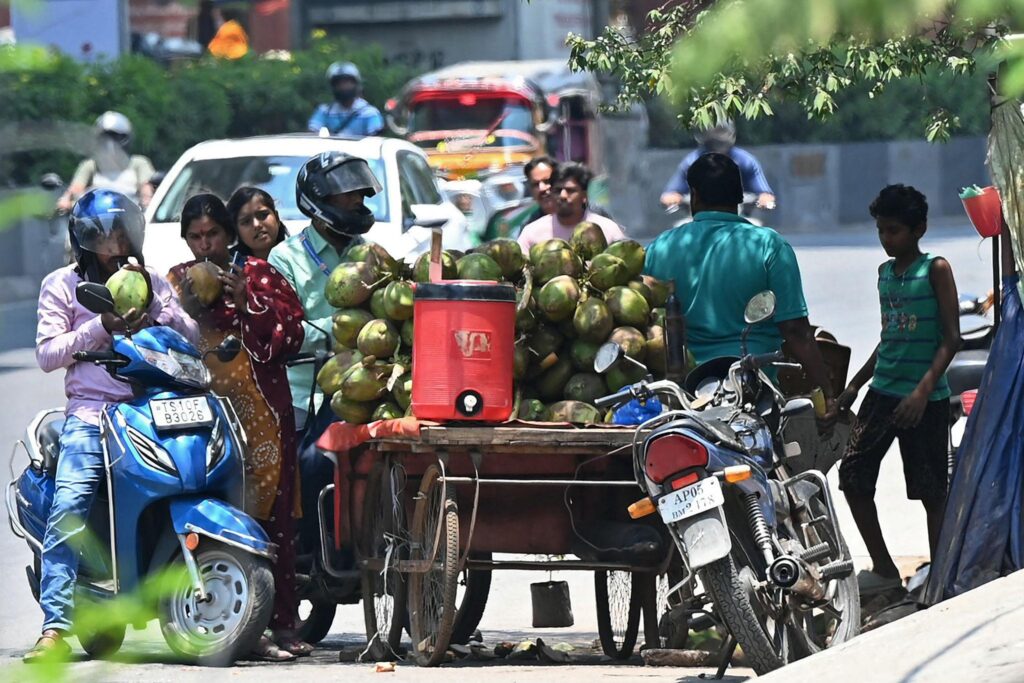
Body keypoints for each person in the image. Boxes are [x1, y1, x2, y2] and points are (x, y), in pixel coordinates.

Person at [26, 190, 199, 662]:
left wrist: (157, 312)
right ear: (84, 243)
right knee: (72, 504)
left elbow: (191, 335)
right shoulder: (61, 286)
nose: (115, 244)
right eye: (104, 237)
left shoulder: (152, 282)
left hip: (153, 405)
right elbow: (47, 354)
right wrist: (100, 325)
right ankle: (55, 627)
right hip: (91, 414)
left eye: (122, 234)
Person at [167, 194, 309, 661]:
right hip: (202, 417)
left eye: (213, 234)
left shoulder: (260, 276)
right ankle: (228, 613)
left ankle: (282, 622)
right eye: (196, 236)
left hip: (262, 415)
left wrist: (249, 304)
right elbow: (160, 338)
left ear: (229, 235)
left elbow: (291, 336)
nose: (205, 245)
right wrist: (186, 311)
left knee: (272, 517)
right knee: (215, 510)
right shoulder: (176, 281)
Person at [835, 184, 961, 599]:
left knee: (931, 492)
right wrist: (855, 384)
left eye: (894, 231)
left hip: (925, 398)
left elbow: (951, 339)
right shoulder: (884, 275)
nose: (886, 239)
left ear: (918, 229)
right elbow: (889, 337)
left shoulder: (936, 269)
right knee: (852, 476)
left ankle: (941, 577)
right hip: (883, 392)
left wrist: (922, 393)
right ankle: (885, 569)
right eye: (881, 231)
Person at [268, 152, 382, 561]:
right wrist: (338, 336)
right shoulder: (286, 258)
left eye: (360, 195)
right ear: (319, 204)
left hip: (369, 387)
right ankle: (317, 554)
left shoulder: (370, 254)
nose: (358, 202)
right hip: (307, 390)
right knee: (314, 464)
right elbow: (286, 330)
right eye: (347, 196)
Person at [643, 152, 833, 398]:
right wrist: (827, 391)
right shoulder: (769, 245)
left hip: (681, 389)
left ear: (695, 195)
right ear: (740, 196)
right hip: (751, 387)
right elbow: (795, 330)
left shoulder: (660, 247)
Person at [659, 121, 775, 211]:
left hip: (740, 215)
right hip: (698, 218)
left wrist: (765, 198)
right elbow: (671, 192)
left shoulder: (746, 161)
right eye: (712, 144)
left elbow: (764, 192)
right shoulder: (691, 162)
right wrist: (672, 197)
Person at [57, 112, 156, 213]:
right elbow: (76, 189)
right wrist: (66, 200)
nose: (110, 143)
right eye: (105, 138)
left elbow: (146, 188)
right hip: (95, 219)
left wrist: (147, 201)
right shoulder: (91, 165)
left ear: (126, 138)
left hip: (132, 219)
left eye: (115, 137)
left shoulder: (138, 163)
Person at [517, 162, 625, 252]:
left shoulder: (608, 230)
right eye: (558, 190)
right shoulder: (532, 233)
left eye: (570, 190)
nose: (563, 196)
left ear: (584, 196)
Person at [483, 156, 557, 241]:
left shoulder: (574, 217)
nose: (542, 188)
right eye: (535, 184)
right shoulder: (529, 227)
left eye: (547, 181)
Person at [307, 62, 385, 137]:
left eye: (347, 82)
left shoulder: (369, 113)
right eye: (338, 83)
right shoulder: (325, 111)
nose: (343, 87)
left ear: (356, 85)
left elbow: (375, 139)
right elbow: (313, 133)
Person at [227, 187, 289, 260]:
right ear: (237, 230)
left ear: (277, 217)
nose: (256, 225)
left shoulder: (299, 253)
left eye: (263, 215)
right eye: (246, 221)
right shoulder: (230, 266)